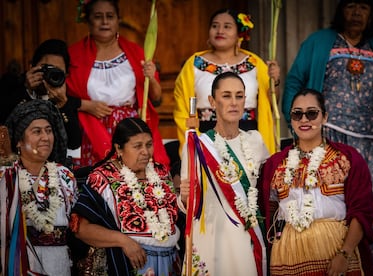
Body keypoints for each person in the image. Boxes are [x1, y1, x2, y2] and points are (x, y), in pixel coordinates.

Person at [281, 0, 373, 270]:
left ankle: (364, 265)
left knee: (364, 204)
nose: (356, 13)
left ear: (371, 14)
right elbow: (295, 80)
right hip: (329, 141)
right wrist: (295, 117)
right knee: (329, 204)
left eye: (363, 7)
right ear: (340, 11)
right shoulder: (320, 42)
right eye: (351, 6)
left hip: (370, 145)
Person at [260, 88, 373, 275]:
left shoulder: (347, 158)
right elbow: (269, 214)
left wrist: (344, 254)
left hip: (335, 252)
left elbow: (362, 212)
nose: (304, 120)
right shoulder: (275, 164)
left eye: (312, 113)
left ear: (324, 117)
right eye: (297, 114)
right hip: (287, 256)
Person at [180, 72, 269, 275]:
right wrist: (184, 197)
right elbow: (188, 205)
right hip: (211, 239)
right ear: (212, 101)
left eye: (239, 96)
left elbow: (265, 190)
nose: (234, 102)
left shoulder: (255, 141)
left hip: (245, 239)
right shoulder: (198, 145)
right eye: (226, 96)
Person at [69, 117, 181, 276]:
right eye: (137, 146)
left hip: (170, 263)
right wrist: (123, 241)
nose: (145, 152)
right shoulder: (102, 177)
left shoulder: (161, 172)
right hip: (129, 263)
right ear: (119, 149)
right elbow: (80, 228)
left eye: (149, 145)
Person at [66, 0, 169, 168]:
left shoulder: (136, 53)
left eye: (110, 16)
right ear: (88, 21)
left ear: (118, 20)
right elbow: (60, 97)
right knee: (100, 180)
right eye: (98, 17)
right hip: (92, 128)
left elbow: (156, 98)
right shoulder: (74, 55)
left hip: (129, 129)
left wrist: (151, 77)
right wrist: (86, 105)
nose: (105, 22)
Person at [174, 8, 280, 155]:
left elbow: (271, 103)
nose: (220, 31)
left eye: (227, 26)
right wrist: (195, 141)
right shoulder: (193, 64)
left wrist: (274, 81)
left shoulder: (255, 64)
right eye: (215, 26)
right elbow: (184, 107)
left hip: (248, 134)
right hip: (206, 135)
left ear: (239, 34)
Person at [0, 99, 78, 275]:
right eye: (37, 131)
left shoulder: (64, 175)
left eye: (49, 131)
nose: (45, 137)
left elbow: (76, 224)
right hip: (19, 265)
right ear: (19, 142)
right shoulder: (6, 177)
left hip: (59, 264)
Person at [0, 39, 82, 151]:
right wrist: (26, 91)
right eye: (46, 69)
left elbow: (74, 143)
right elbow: (4, 122)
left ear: (66, 75)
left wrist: (63, 104)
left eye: (57, 72)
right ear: (31, 67)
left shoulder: (64, 99)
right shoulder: (12, 86)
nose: (50, 75)